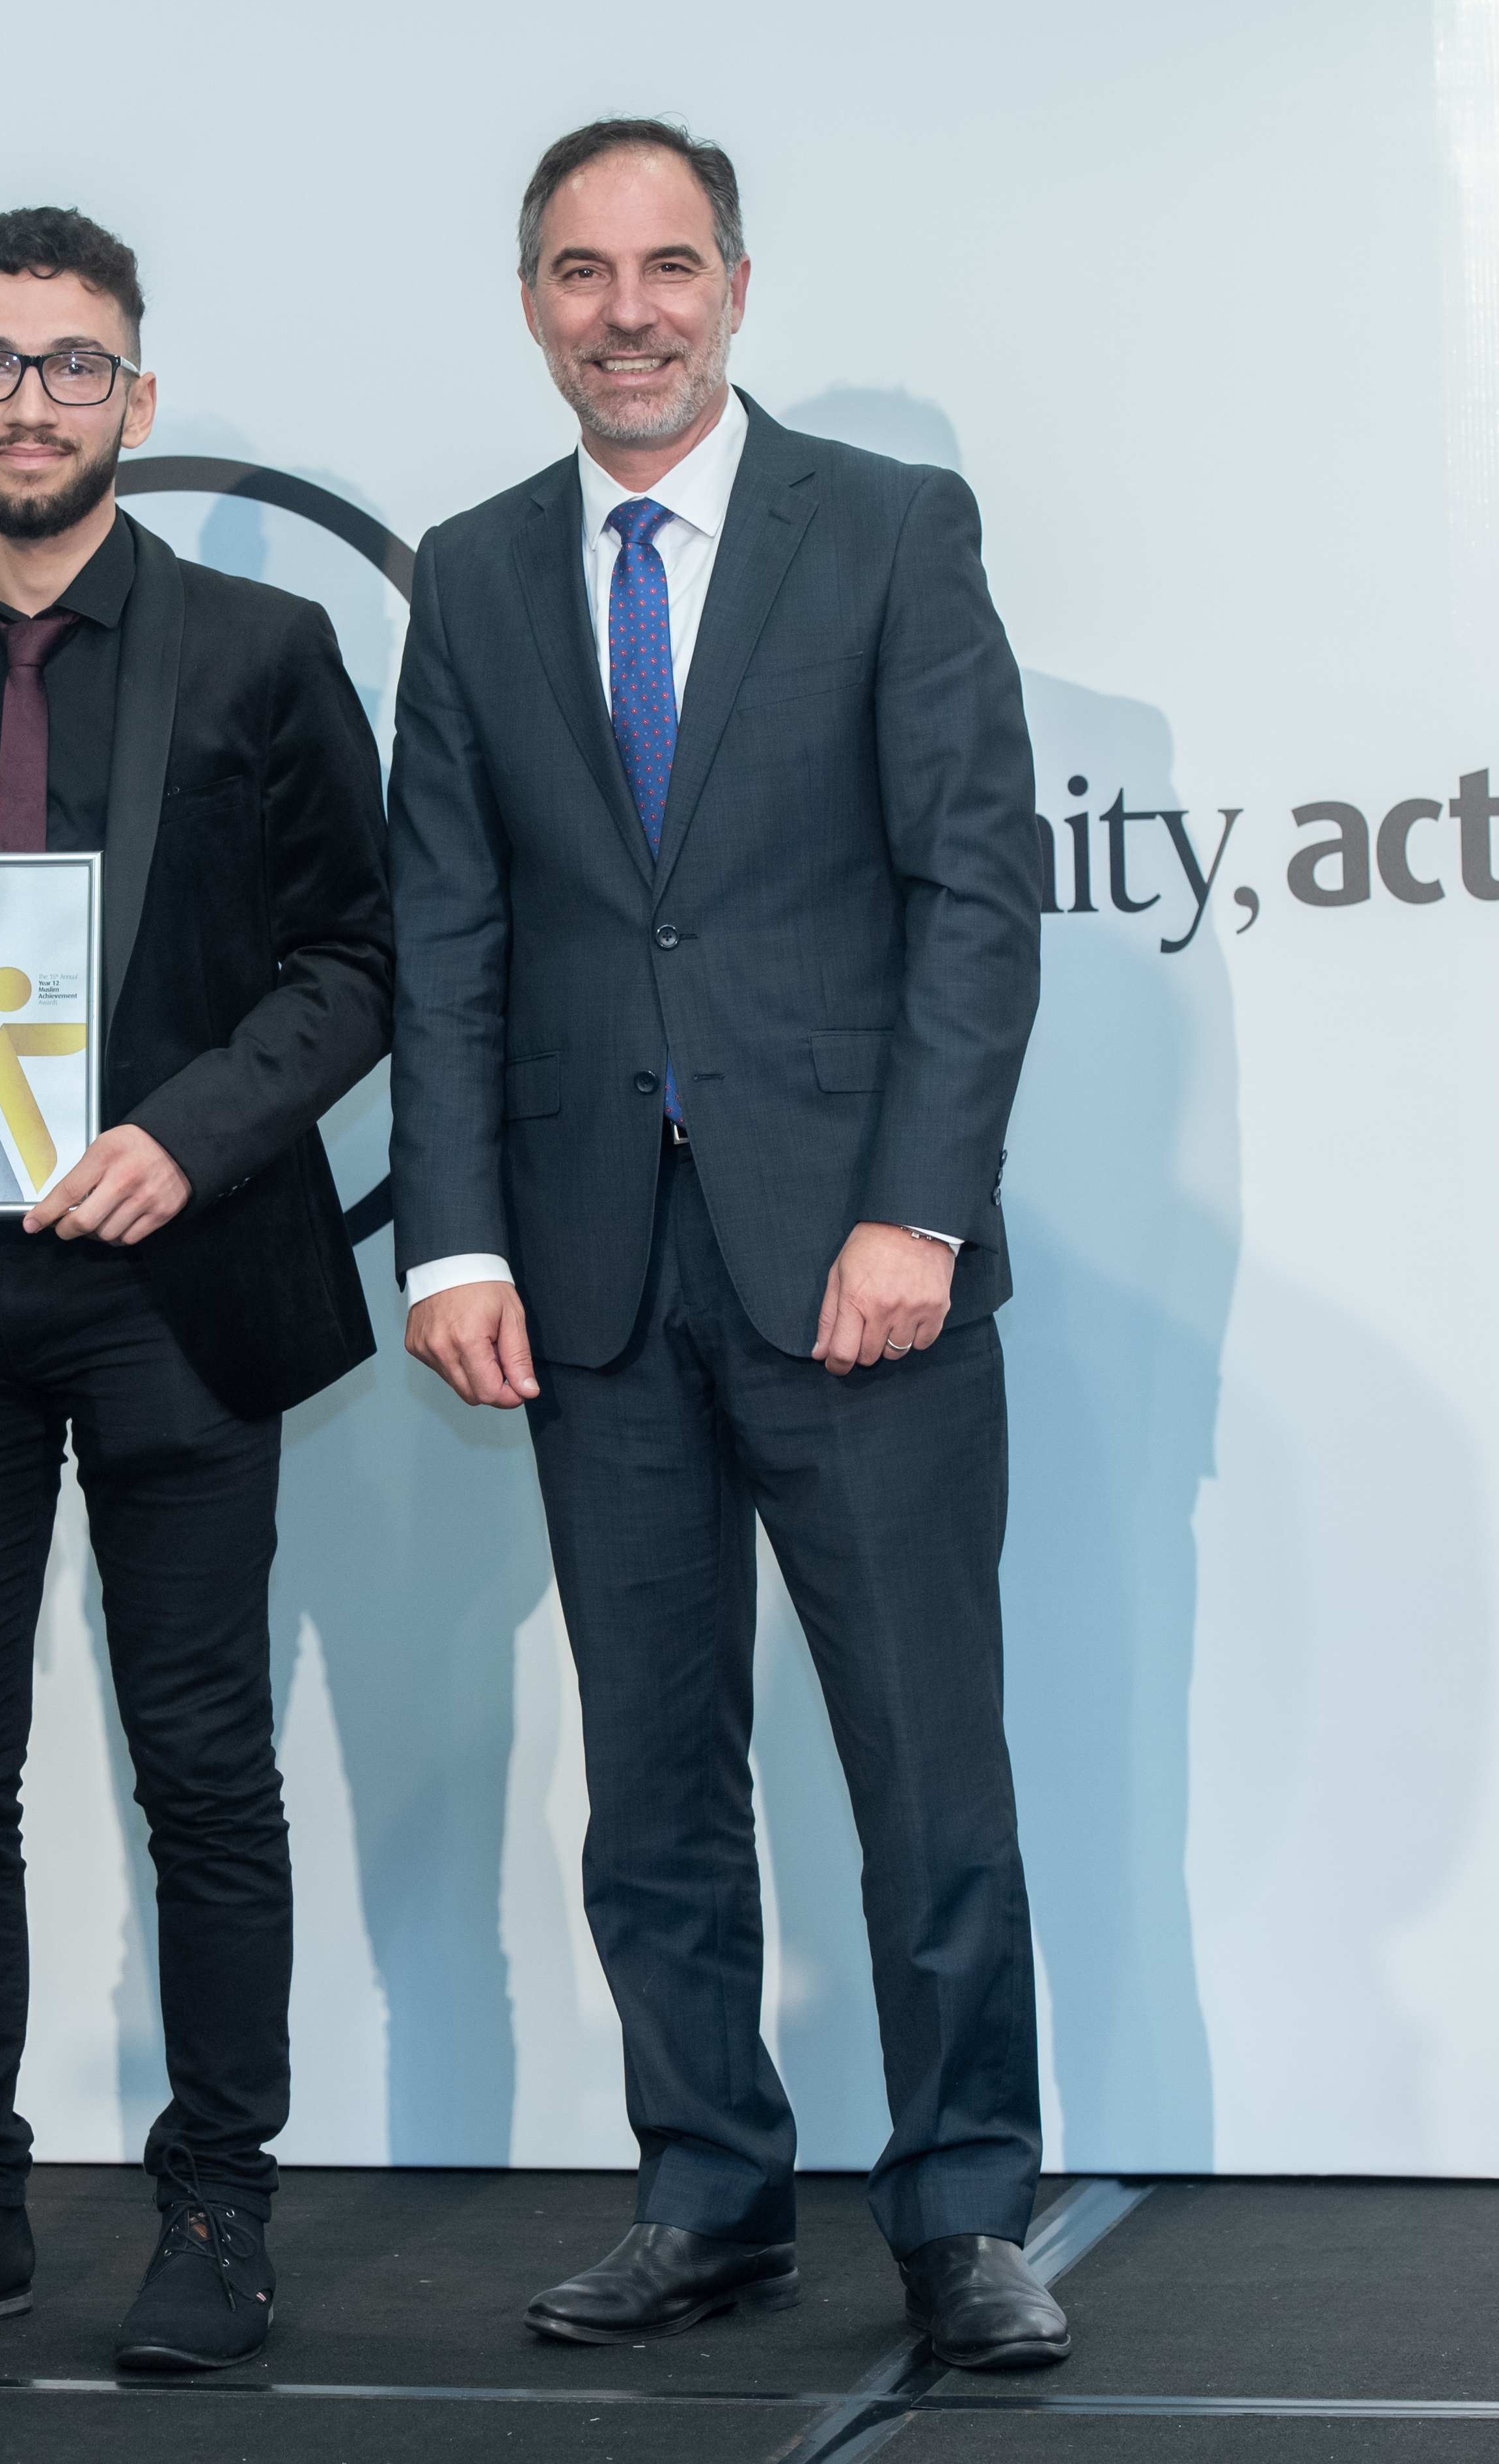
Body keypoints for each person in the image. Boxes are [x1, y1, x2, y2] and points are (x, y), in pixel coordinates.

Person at [386, 121, 1066, 2370]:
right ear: (531, 307)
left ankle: (967, 2215)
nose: (629, 311)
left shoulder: (884, 532)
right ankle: (710, 2194)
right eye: (582, 272)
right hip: (589, 1277)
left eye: (669, 265)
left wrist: (919, 1208)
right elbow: (452, 937)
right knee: (654, 1772)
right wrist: (452, 1242)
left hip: (855, 1272)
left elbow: (976, 889)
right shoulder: (474, 576)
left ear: (741, 288)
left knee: (921, 1763)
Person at [0, 205, 392, 2375]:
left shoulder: (264, 647)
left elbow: (357, 965)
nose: (29, 399)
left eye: (72, 363)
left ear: (134, 392)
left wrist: (190, 1133)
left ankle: (218, 2213)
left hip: (183, 1285)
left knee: (201, 1762)